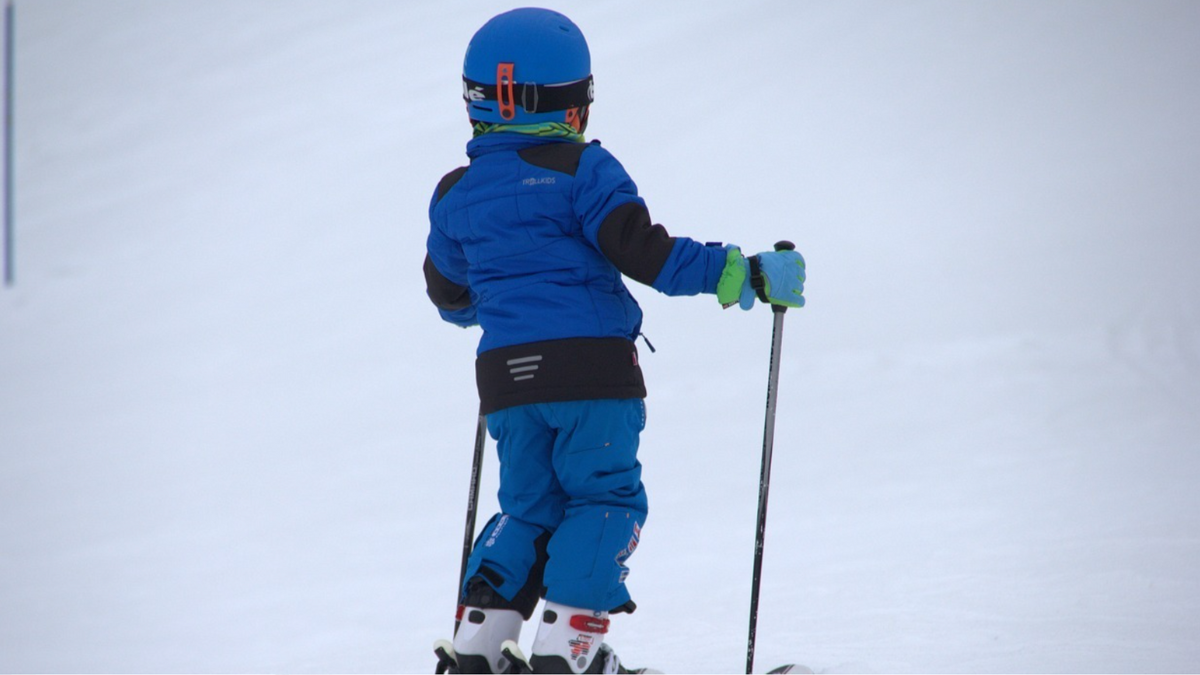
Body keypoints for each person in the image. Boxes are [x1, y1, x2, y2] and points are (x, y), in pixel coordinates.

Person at [424, 8, 805, 674]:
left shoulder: (455, 193)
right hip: (591, 372)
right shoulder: (584, 171)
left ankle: (480, 642)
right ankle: (568, 650)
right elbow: (645, 254)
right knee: (603, 499)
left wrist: (495, 301)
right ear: (574, 105)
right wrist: (743, 272)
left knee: (528, 508)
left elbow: (450, 294)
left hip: (507, 382)